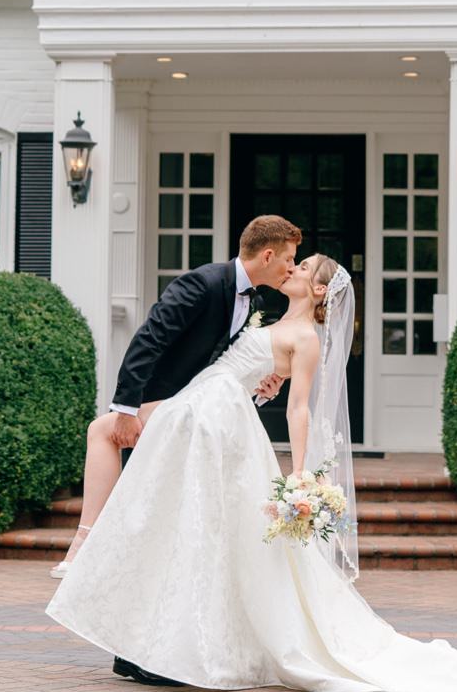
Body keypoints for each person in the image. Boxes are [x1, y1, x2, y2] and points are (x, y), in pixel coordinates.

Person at [48, 253, 457, 692]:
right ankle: (139, 635)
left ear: (321, 291)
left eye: (303, 268)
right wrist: (262, 386)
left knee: (199, 537)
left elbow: (300, 409)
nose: (293, 270)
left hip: (219, 426)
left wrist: (299, 473)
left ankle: (174, 647)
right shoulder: (265, 315)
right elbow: (242, 369)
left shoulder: (306, 338)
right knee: (171, 523)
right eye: (292, 262)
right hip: (200, 410)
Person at [50, 214, 300, 578]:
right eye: (288, 259)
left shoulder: (256, 303)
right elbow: (150, 338)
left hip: (204, 408)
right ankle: (93, 548)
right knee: (108, 433)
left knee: (108, 441)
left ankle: (89, 551)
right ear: (266, 256)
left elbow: (231, 365)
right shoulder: (204, 283)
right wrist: (126, 407)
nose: (290, 269)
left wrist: (262, 389)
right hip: (172, 400)